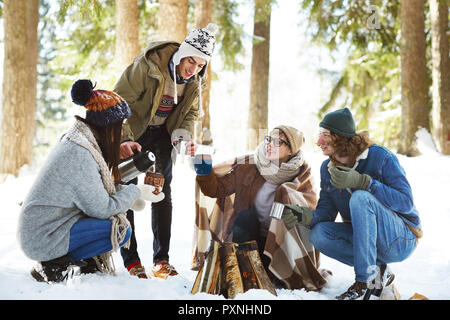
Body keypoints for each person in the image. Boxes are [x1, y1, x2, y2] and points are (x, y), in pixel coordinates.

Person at [17, 79, 158, 283]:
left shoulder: (77, 140)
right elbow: (102, 208)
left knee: (112, 224)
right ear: (109, 126)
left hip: (43, 229)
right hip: (41, 238)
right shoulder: (79, 154)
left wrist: (116, 159)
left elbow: (92, 189)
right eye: (120, 125)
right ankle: (53, 265)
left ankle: (68, 260)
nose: (121, 131)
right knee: (121, 230)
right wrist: (135, 192)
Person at [282, 108, 422, 300]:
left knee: (360, 197)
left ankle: (364, 282)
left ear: (341, 137)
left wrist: (366, 183)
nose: (318, 142)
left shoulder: (379, 157)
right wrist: (307, 216)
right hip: (365, 238)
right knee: (319, 234)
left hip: (400, 238)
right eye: (318, 135)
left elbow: (406, 202)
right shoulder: (327, 169)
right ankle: (378, 272)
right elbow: (326, 212)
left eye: (325, 136)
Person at [113, 23, 218, 279]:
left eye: (200, 65)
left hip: (162, 134)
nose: (193, 69)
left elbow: (191, 112)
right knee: (128, 190)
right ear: (183, 52)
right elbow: (119, 99)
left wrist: (182, 136)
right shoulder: (148, 65)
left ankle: (161, 261)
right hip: (134, 131)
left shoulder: (195, 80)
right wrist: (123, 139)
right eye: (191, 61)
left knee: (161, 192)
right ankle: (131, 259)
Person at [194, 126, 328, 290]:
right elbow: (216, 190)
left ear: (291, 151)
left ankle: (277, 272)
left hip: (279, 247)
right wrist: (204, 172)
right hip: (249, 242)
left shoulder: (301, 173)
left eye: (278, 142)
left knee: (288, 196)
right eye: (269, 139)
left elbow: (310, 207)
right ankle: (244, 271)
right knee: (245, 217)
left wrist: (288, 197)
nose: (270, 144)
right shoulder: (250, 164)